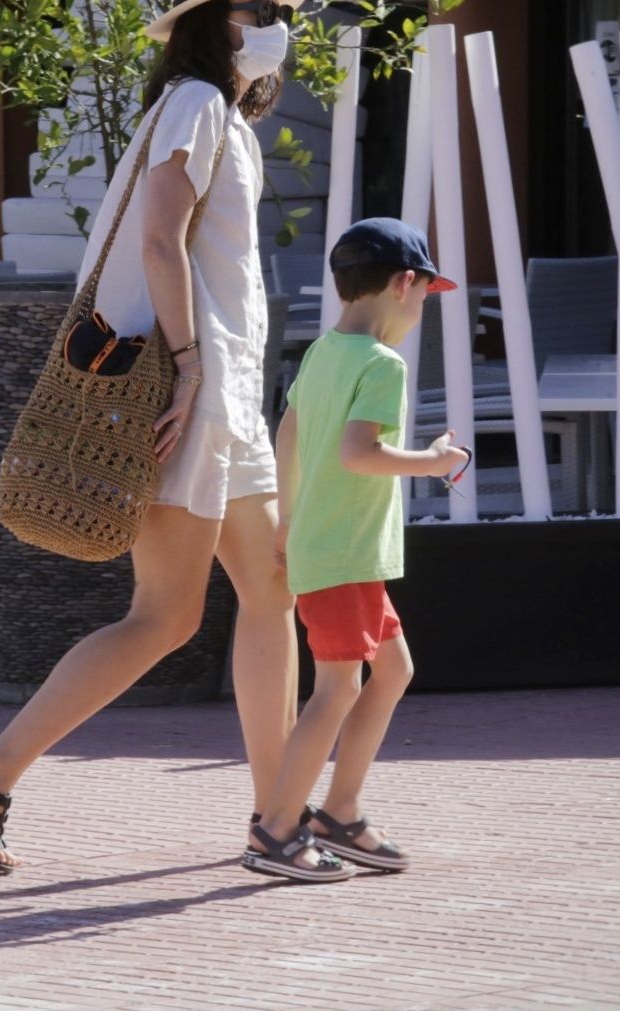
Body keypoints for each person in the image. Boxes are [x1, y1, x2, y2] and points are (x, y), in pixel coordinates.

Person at [0, 0, 310, 872]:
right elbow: (157, 243)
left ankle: (278, 816)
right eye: (256, 12)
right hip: (191, 388)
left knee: (270, 587)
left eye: (280, 13)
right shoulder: (191, 103)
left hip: (217, 392)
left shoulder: (221, 117)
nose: (275, 28)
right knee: (166, 613)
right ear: (203, 26)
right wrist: (188, 365)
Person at [242, 218, 468, 882]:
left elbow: (288, 429)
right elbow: (358, 453)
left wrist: (285, 515)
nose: (422, 305)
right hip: (343, 554)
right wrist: (434, 462)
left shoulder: (321, 353)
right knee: (338, 688)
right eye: (425, 292)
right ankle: (276, 829)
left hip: (341, 553)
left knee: (392, 670)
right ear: (404, 283)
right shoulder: (381, 364)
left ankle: (338, 812)